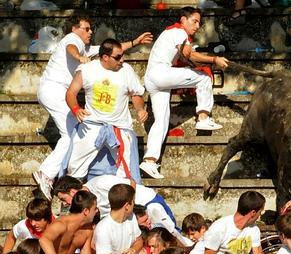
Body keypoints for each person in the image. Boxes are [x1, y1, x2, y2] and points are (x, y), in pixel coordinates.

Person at [34, 14, 152, 199]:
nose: (91, 32)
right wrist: (79, 57)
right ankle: (47, 174)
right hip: (55, 90)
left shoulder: (99, 54)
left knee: (71, 137)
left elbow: (112, 49)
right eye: (86, 28)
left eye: (91, 29)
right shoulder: (73, 40)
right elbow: (71, 47)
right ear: (75, 28)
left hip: (111, 122)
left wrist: (134, 42)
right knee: (69, 137)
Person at [140, 6, 229, 179]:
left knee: (161, 121)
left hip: (152, 79)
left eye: (199, 23)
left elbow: (184, 56)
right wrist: (214, 59)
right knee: (203, 77)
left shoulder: (172, 33)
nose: (197, 26)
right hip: (161, 74)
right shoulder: (179, 32)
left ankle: (149, 161)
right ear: (183, 19)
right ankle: (203, 117)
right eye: (194, 21)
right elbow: (190, 55)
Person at [64, 38, 148, 182]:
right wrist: (76, 109)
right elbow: (71, 93)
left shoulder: (126, 70)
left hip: (118, 127)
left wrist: (140, 109)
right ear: (105, 57)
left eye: (123, 56)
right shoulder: (87, 69)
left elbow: (136, 94)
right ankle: (70, 200)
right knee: (74, 168)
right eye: (118, 57)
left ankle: (132, 200)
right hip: (91, 125)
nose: (122, 60)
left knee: (128, 172)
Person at [52, 175, 180, 240]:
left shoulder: (99, 183)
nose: (66, 203)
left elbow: (131, 183)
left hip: (147, 202)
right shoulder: (85, 204)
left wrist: (131, 210)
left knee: (171, 234)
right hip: (132, 217)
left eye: (64, 199)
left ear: (73, 191)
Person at [38, 190, 98, 254]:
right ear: (86, 211)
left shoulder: (88, 231)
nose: (97, 211)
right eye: (95, 208)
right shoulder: (61, 224)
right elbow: (44, 240)